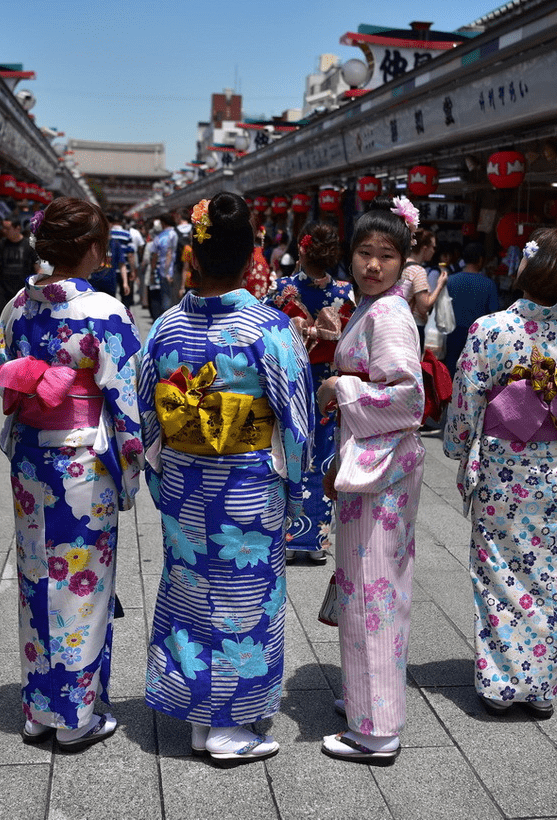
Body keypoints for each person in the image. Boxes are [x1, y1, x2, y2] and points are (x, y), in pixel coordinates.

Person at [137, 193, 313, 765]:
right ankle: (227, 725)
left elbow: (148, 418)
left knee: (192, 596)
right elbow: (296, 421)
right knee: (242, 600)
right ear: (251, 258)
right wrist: (292, 489)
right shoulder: (269, 329)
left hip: (187, 485)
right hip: (247, 490)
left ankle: (198, 711)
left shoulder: (165, 328)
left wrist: (163, 485)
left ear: (193, 255)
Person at [0, 198, 143, 752]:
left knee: (38, 577)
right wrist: (134, 464)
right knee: (81, 581)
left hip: (32, 458)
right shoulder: (103, 311)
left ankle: (40, 708)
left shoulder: (17, 306)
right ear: (90, 249)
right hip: (81, 463)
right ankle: (74, 715)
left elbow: (10, 373)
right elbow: (127, 398)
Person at [444, 228, 557, 719]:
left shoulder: (491, 330)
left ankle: (499, 684)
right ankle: (540, 687)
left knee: (498, 572)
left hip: (503, 474)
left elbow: (467, 402)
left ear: (532, 267)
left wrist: (458, 446)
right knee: (553, 578)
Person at [316, 196, 425, 765]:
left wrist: (343, 389)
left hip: (382, 467)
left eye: (386, 255)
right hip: (371, 460)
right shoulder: (371, 307)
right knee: (365, 581)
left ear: (402, 261)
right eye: (364, 252)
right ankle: (367, 698)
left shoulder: (387, 314)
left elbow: (408, 398)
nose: (373, 265)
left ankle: (378, 729)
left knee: (376, 584)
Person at [266, 223, 355, 563]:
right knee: (325, 456)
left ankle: (287, 534)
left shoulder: (281, 291)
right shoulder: (348, 294)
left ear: (301, 251)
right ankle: (316, 540)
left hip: (292, 382)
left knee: (292, 453)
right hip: (331, 386)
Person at [443, 241, 499, 378]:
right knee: (473, 371)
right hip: (477, 336)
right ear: (480, 260)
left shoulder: (450, 281)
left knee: (450, 367)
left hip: (452, 332)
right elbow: (494, 314)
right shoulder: (488, 284)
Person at [0, 217, 39, 322]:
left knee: (23, 321)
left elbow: (38, 268)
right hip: (4, 291)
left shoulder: (29, 245)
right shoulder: (1, 245)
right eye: (3, 228)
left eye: (7, 228)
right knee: (1, 320)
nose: (4, 231)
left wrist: (38, 288)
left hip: (23, 292)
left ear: (17, 228)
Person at [400, 228, 448, 351]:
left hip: (398, 323)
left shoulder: (400, 266)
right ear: (424, 248)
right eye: (433, 247)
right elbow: (424, 306)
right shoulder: (418, 271)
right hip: (413, 326)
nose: (434, 251)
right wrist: (440, 285)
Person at [147, 213, 177, 320]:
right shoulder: (177, 233)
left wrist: (153, 271)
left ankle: (166, 321)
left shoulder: (160, 237)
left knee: (166, 298)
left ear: (163, 223)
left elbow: (154, 256)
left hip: (165, 271)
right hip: (179, 270)